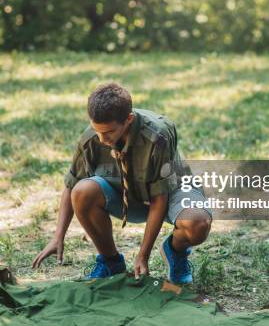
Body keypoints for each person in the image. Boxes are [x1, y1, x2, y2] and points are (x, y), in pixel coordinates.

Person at [32, 83, 212, 284]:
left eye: (108, 132)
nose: (102, 139)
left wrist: (143, 255)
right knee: (82, 191)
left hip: (171, 191)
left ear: (129, 120)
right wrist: (58, 236)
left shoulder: (159, 135)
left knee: (197, 224)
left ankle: (175, 252)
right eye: (97, 130)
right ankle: (111, 262)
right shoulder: (91, 139)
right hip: (126, 195)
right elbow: (71, 185)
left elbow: (159, 198)